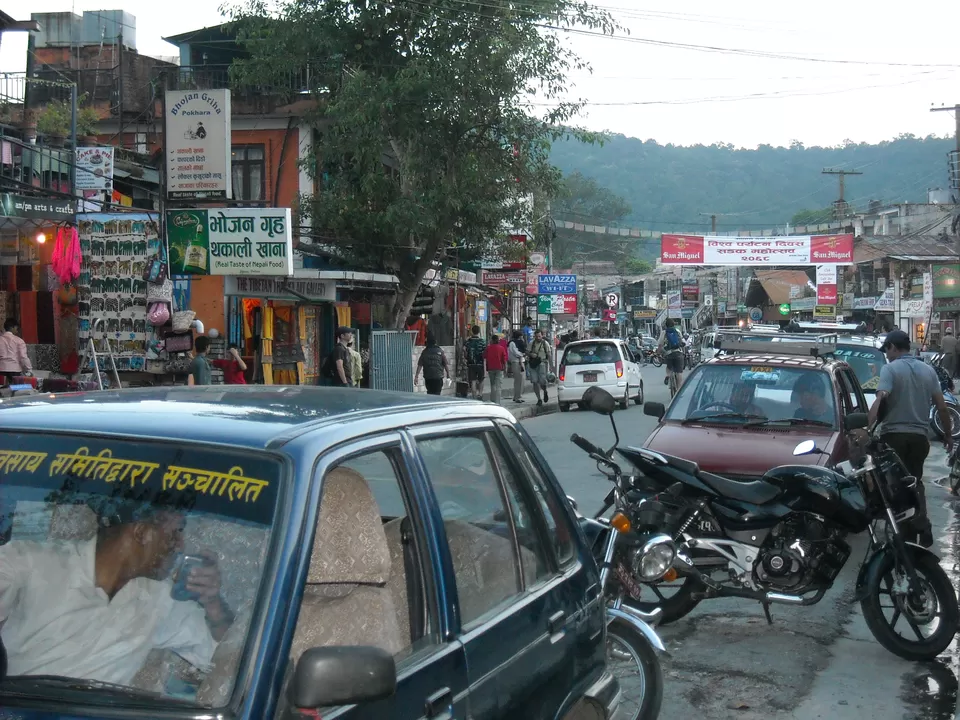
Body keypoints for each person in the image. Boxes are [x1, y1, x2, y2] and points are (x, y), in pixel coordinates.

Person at [0, 504, 233, 684]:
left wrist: (212, 602)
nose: (180, 545)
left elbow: (225, 657)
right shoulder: (28, 563)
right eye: (176, 532)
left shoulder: (159, 599)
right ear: (142, 533)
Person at [868, 329, 953, 546]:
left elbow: (880, 399)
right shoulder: (928, 371)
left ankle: (903, 532)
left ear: (893, 347)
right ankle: (921, 525)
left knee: (894, 486)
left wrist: (868, 428)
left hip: (894, 437)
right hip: (919, 439)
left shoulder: (890, 369)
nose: (886, 355)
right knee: (915, 481)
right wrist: (948, 436)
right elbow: (942, 408)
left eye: (887, 350)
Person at [0, 318, 32, 386]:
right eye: (16, 327)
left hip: (1, 370)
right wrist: (29, 369)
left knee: (1, 393)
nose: (17, 330)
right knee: (16, 392)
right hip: (15, 371)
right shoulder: (19, 341)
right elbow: (23, 357)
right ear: (12, 327)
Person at [527, 328, 553, 406]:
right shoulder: (531, 343)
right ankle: (539, 399)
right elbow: (527, 351)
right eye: (536, 336)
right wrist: (531, 354)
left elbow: (549, 355)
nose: (538, 338)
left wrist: (551, 366)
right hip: (533, 365)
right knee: (535, 381)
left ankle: (545, 391)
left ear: (542, 336)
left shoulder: (545, 344)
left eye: (539, 336)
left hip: (542, 364)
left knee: (542, 381)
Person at [657, 319, 684, 390]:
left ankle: (668, 376)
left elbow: (660, 345)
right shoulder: (678, 331)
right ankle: (679, 389)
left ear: (666, 325)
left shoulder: (664, 332)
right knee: (679, 372)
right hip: (678, 353)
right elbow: (682, 342)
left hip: (669, 354)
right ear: (673, 324)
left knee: (669, 367)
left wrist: (658, 353)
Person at [464, 325, 487, 400]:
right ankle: (480, 394)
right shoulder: (482, 342)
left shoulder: (468, 342)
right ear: (479, 331)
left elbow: (465, 352)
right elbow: (485, 354)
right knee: (481, 379)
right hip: (480, 364)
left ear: (472, 331)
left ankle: (474, 396)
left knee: (473, 381)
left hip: (471, 364)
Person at [484, 333, 508, 404]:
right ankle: (497, 402)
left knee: (492, 385)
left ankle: (492, 401)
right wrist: (505, 368)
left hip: (490, 368)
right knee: (498, 386)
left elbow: (485, 356)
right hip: (499, 368)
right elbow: (504, 359)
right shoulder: (501, 348)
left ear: (492, 340)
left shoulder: (488, 348)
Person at [508, 330, 526, 403]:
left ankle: (518, 395)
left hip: (521, 361)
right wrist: (522, 354)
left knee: (522, 380)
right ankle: (517, 396)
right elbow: (516, 352)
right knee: (518, 379)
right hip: (516, 362)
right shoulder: (512, 343)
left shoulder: (520, 343)